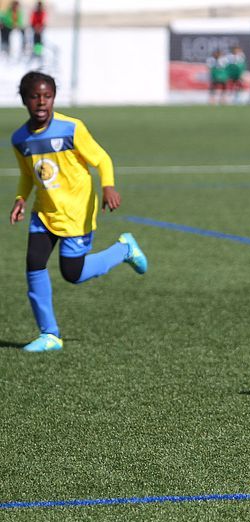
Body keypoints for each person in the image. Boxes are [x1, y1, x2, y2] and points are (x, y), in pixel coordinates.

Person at [8, 71, 148, 352]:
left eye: (47, 96)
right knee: (34, 265)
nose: (41, 102)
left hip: (76, 212)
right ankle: (50, 335)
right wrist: (21, 198)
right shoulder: (19, 139)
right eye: (35, 96)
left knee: (72, 273)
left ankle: (124, 250)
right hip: (44, 214)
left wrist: (108, 187)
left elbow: (102, 159)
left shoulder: (71, 129)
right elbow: (28, 175)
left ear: (54, 98)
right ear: (24, 99)